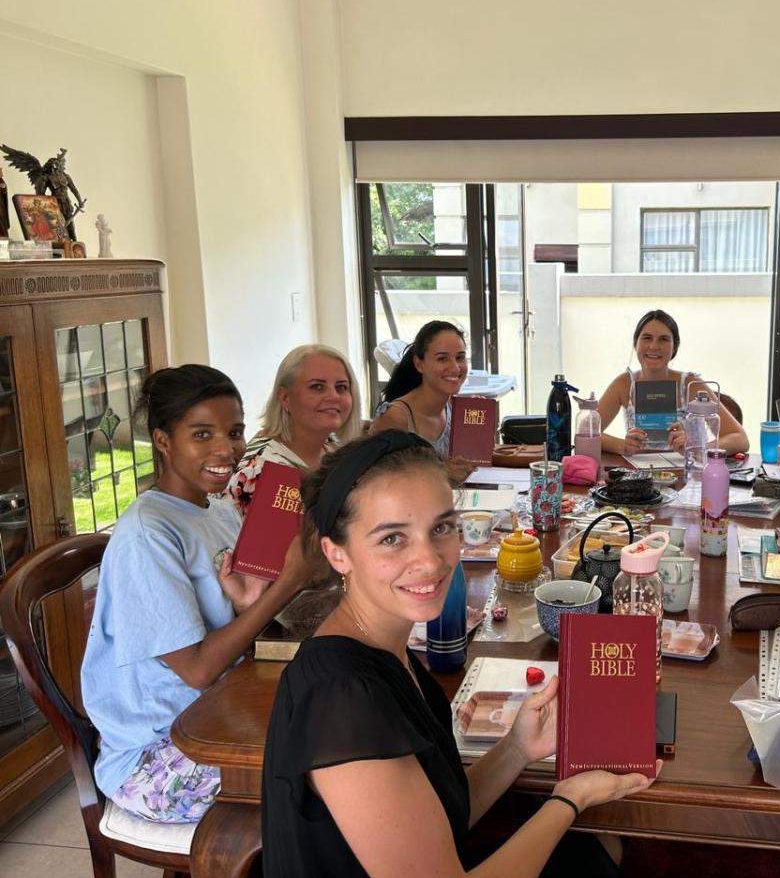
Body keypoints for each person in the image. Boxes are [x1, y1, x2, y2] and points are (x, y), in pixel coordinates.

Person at [261, 431, 656, 876]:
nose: (430, 561)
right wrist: (569, 798)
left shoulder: (386, 651)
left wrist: (517, 748)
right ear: (337, 554)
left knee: (599, 847)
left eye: (441, 528)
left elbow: (439, 814)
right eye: (392, 538)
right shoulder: (341, 699)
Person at [81, 365, 306, 823]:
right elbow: (199, 669)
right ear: (163, 440)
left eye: (234, 432)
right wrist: (288, 583)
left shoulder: (218, 509)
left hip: (219, 714)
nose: (226, 449)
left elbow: (235, 622)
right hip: (159, 754)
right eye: (202, 434)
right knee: (330, 769)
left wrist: (247, 605)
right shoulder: (149, 533)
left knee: (347, 718)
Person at [225, 344, 362, 516]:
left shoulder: (333, 449)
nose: (334, 396)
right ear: (285, 397)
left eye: (341, 387)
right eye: (317, 387)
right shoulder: (265, 472)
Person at [595, 309, 748, 457]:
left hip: (688, 471)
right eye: (647, 338)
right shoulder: (624, 384)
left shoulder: (691, 384)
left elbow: (740, 439)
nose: (654, 346)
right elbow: (587, 432)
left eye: (664, 339)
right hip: (638, 471)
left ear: (675, 346)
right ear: (636, 343)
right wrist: (621, 445)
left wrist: (698, 449)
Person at [371, 320, 475, 484]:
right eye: (442, 359)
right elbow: (376, 482)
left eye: (460, 357)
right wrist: (439, 473)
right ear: (419, 364)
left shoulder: (454, 408)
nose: (455, 368)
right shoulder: (395, 417)